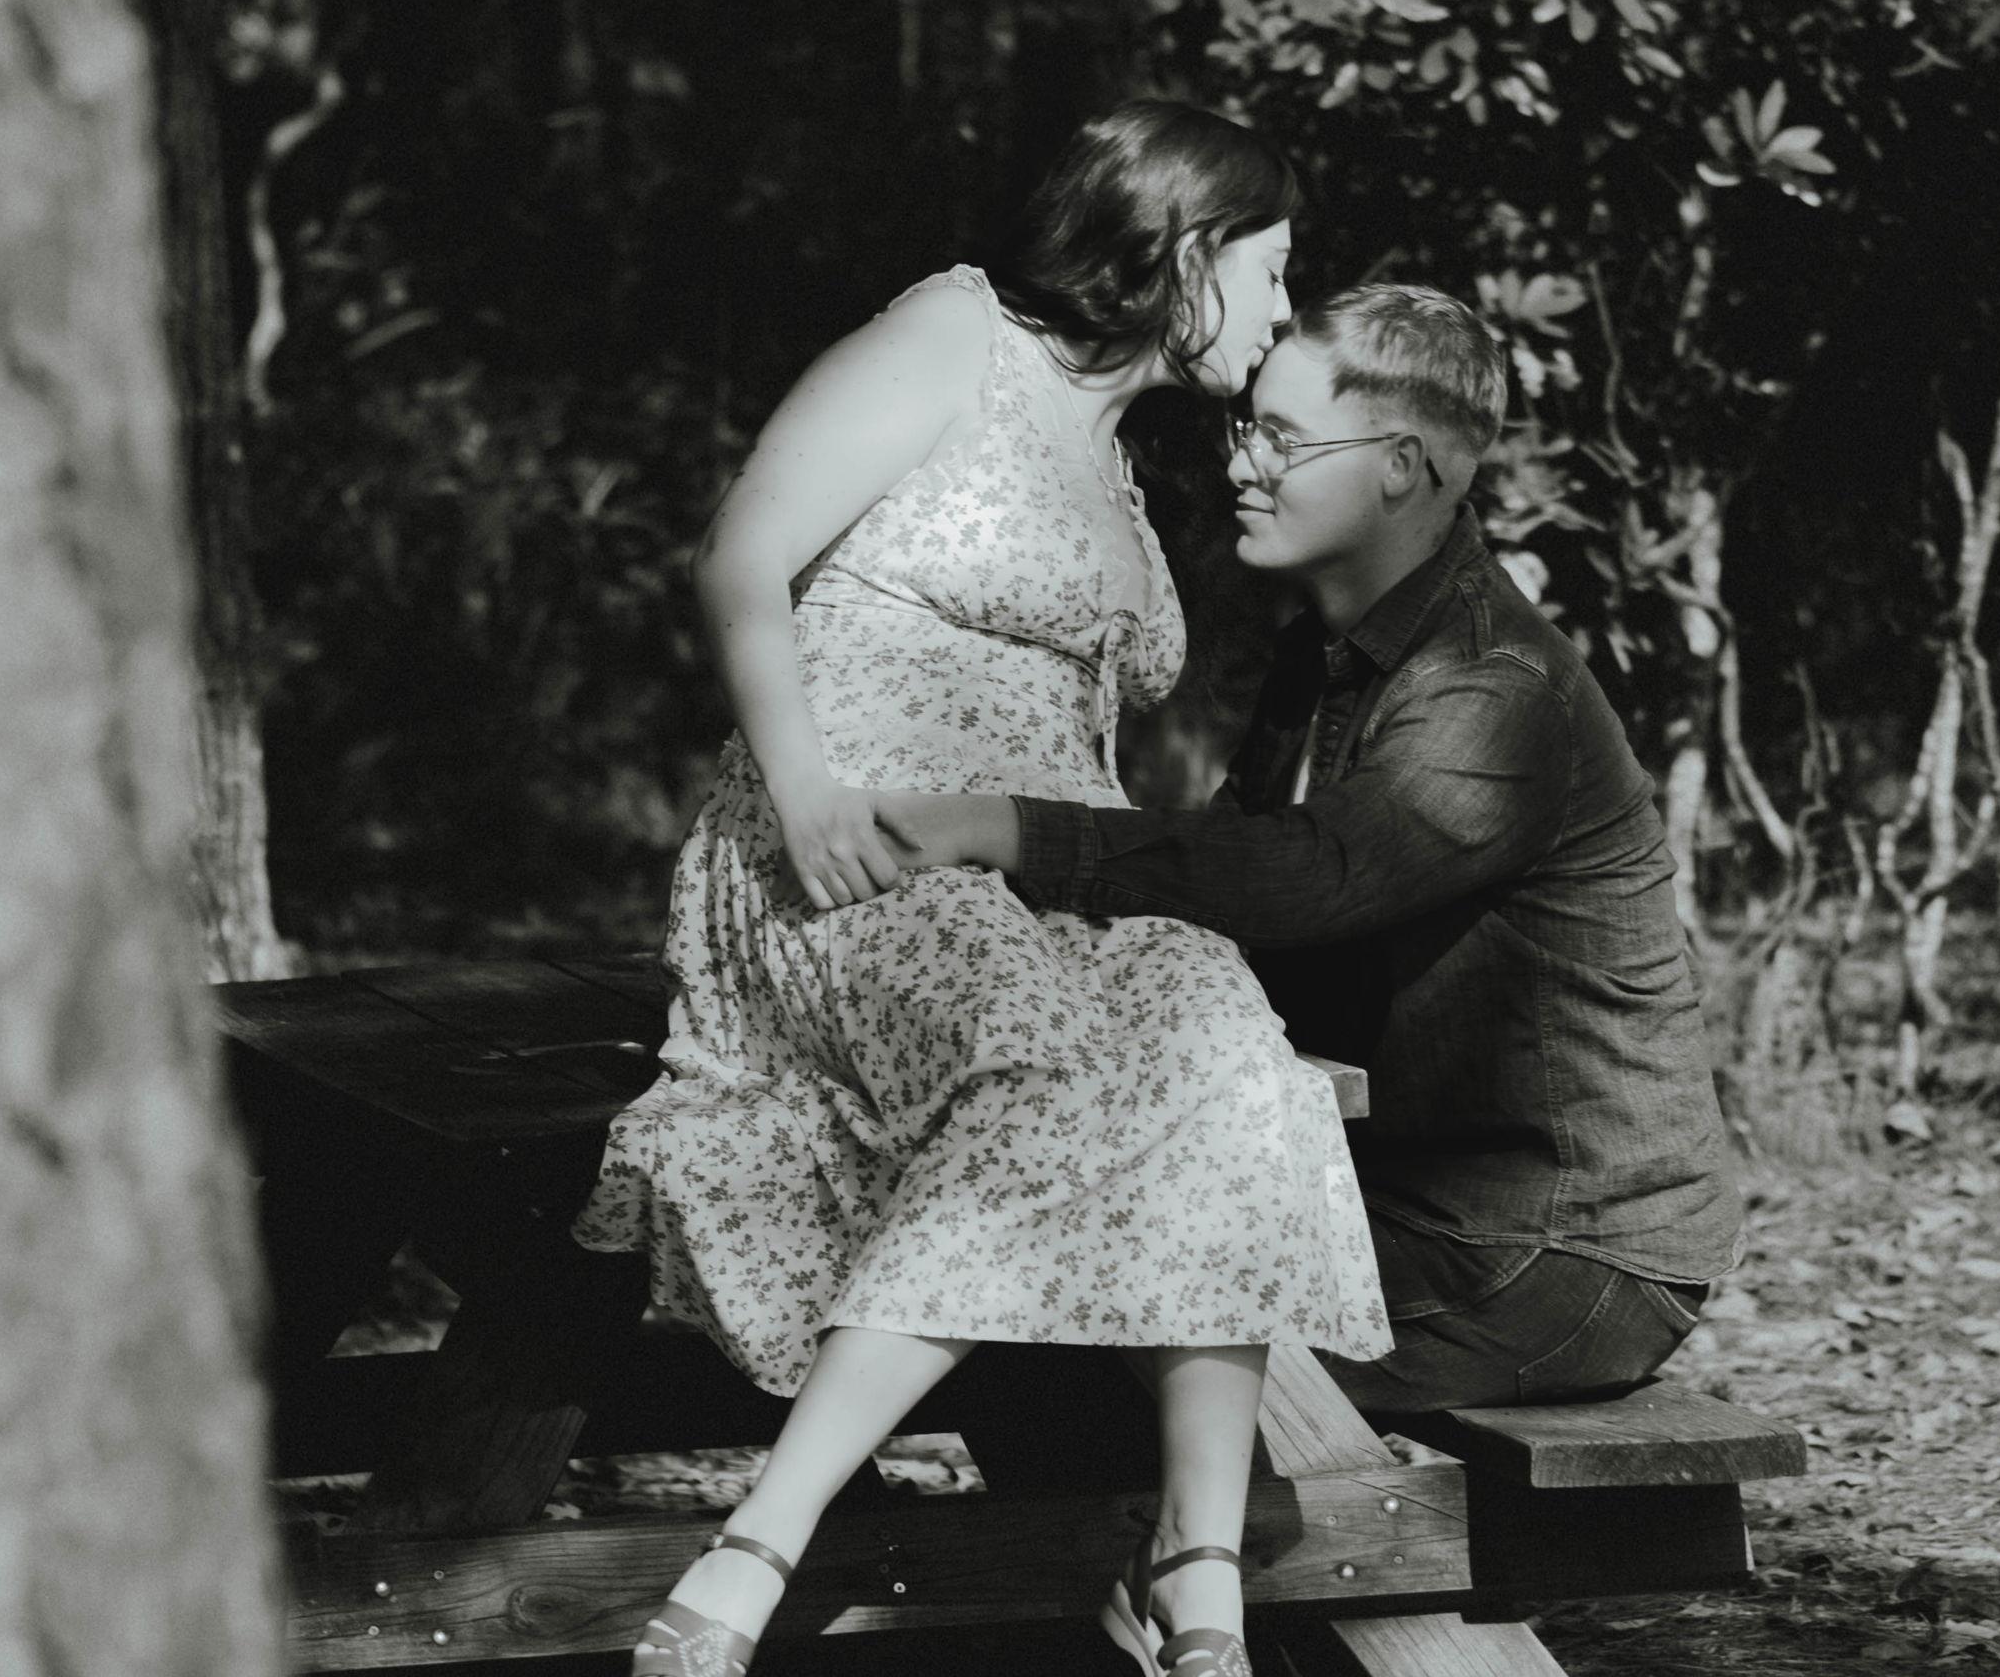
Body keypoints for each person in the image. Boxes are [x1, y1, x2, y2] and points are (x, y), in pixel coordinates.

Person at [573, 103, 1391, 1677]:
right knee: (1034, 1051)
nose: (1286, 309)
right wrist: (805, 792)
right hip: (849, 838)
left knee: (1233, 1048)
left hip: (1048, 867)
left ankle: (1198, 1573)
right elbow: (740, 555)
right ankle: (760, 1539)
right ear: (1186, 250)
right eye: (1274, 269)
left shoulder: (1127, 467)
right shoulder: (957, 335)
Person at [879, 281, 1743, 1419]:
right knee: (1023, 1256)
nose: (1242, 463)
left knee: (1069, 1314)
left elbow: (1306, 873)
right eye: (1248, 426)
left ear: (1399, 465)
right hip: (1395, 1193)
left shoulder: (1495, 691)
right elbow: (1224, 895)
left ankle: (1204, 1538)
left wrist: (1009, 829)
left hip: (1555, 1250)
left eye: (1282, 438)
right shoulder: (1322, 658)